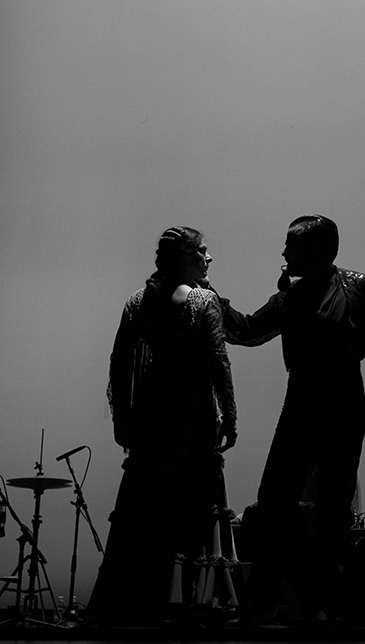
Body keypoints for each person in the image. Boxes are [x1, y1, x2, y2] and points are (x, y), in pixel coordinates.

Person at [215, 214, 365, 622]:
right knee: (273, 501)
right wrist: (214, 301)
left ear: (318, 248)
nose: (284, 252)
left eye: (292, 245)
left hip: (343, 401)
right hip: (301, 401)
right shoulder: (290, 298)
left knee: (333, 508)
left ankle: (319, 602)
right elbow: (248, 330)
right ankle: (266, 599)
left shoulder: (359, 286)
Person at [92, 227, 239, 624]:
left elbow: (120, 365)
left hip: (151, 417)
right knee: (190, 508)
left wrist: (123, 419)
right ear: (186, 260)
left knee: (144, 511)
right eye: (202, 251)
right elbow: (218, 362)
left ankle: (134, 604)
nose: (208, 258)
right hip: (193, 415)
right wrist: (230, 415)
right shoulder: (203, 301)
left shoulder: (138, 303)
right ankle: (187, 604)